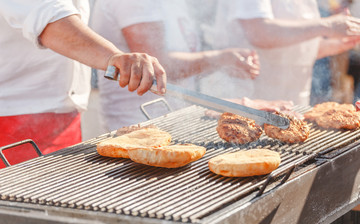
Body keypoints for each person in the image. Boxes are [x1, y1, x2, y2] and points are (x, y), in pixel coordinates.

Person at [0, 0, 167, 168]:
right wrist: (113, 57)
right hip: (12, 118)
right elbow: (50, 19)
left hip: (65, 115)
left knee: (63, 189)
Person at [90, 0, 260, 132]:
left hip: (174, 119)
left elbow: (184, 62)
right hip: (138, 125)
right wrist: (221, 59)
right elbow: (159, 66)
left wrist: (226, 62)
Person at [206, 0, 360, 106]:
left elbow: (296, 48)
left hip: (290, 105)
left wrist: (338, 44)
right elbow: (259, 32)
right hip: (246, 103)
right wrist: (327, 25)